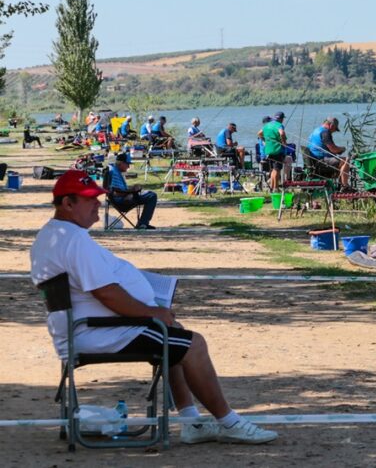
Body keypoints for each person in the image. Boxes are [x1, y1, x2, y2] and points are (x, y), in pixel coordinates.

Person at [29, 170, 278, 445]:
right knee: (193, 344)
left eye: (98, 198)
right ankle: (229, 422)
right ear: (68, 203)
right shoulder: (73, 240)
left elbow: (101, 289)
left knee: (174, 332)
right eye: (90, 199)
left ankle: (190, 420)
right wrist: (152, 311)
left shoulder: (54, 235)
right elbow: (107, 293)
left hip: (90, 328)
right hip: (101, 332)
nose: (98, 204)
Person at [107, 153, 159, 229]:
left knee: (149, 194)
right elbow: (116, 193)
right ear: (121, 163)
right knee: (152, 196)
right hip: (122, 201)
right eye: (127, 164)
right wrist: (132, 191)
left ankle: (143, 223)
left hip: (123, 198)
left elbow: (118, 190)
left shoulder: (115, 171)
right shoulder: (114, 173)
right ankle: (143, 223)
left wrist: (133, 189)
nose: (128, 166)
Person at [307, 117, 350, 185]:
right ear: (331, 125)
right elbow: (333, 149)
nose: (334, 131)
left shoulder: (316, 130)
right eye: (335, 129)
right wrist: (342, 149)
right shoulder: (325, 132)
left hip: (314, 161)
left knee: (340, 160)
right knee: (345, 160)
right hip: (321, 161)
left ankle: (340, 184)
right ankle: (345, 186)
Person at [260, 112, 288, 191]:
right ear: (281, 119)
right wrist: (283, 142)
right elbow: (282, 133)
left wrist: (265, 140)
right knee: (277, 169)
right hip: (277, 150)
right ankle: (276, 188)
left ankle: (272, 187)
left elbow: (259, 133)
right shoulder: (279, 125)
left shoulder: (267, 125)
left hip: (268, 150)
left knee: (273, 169)